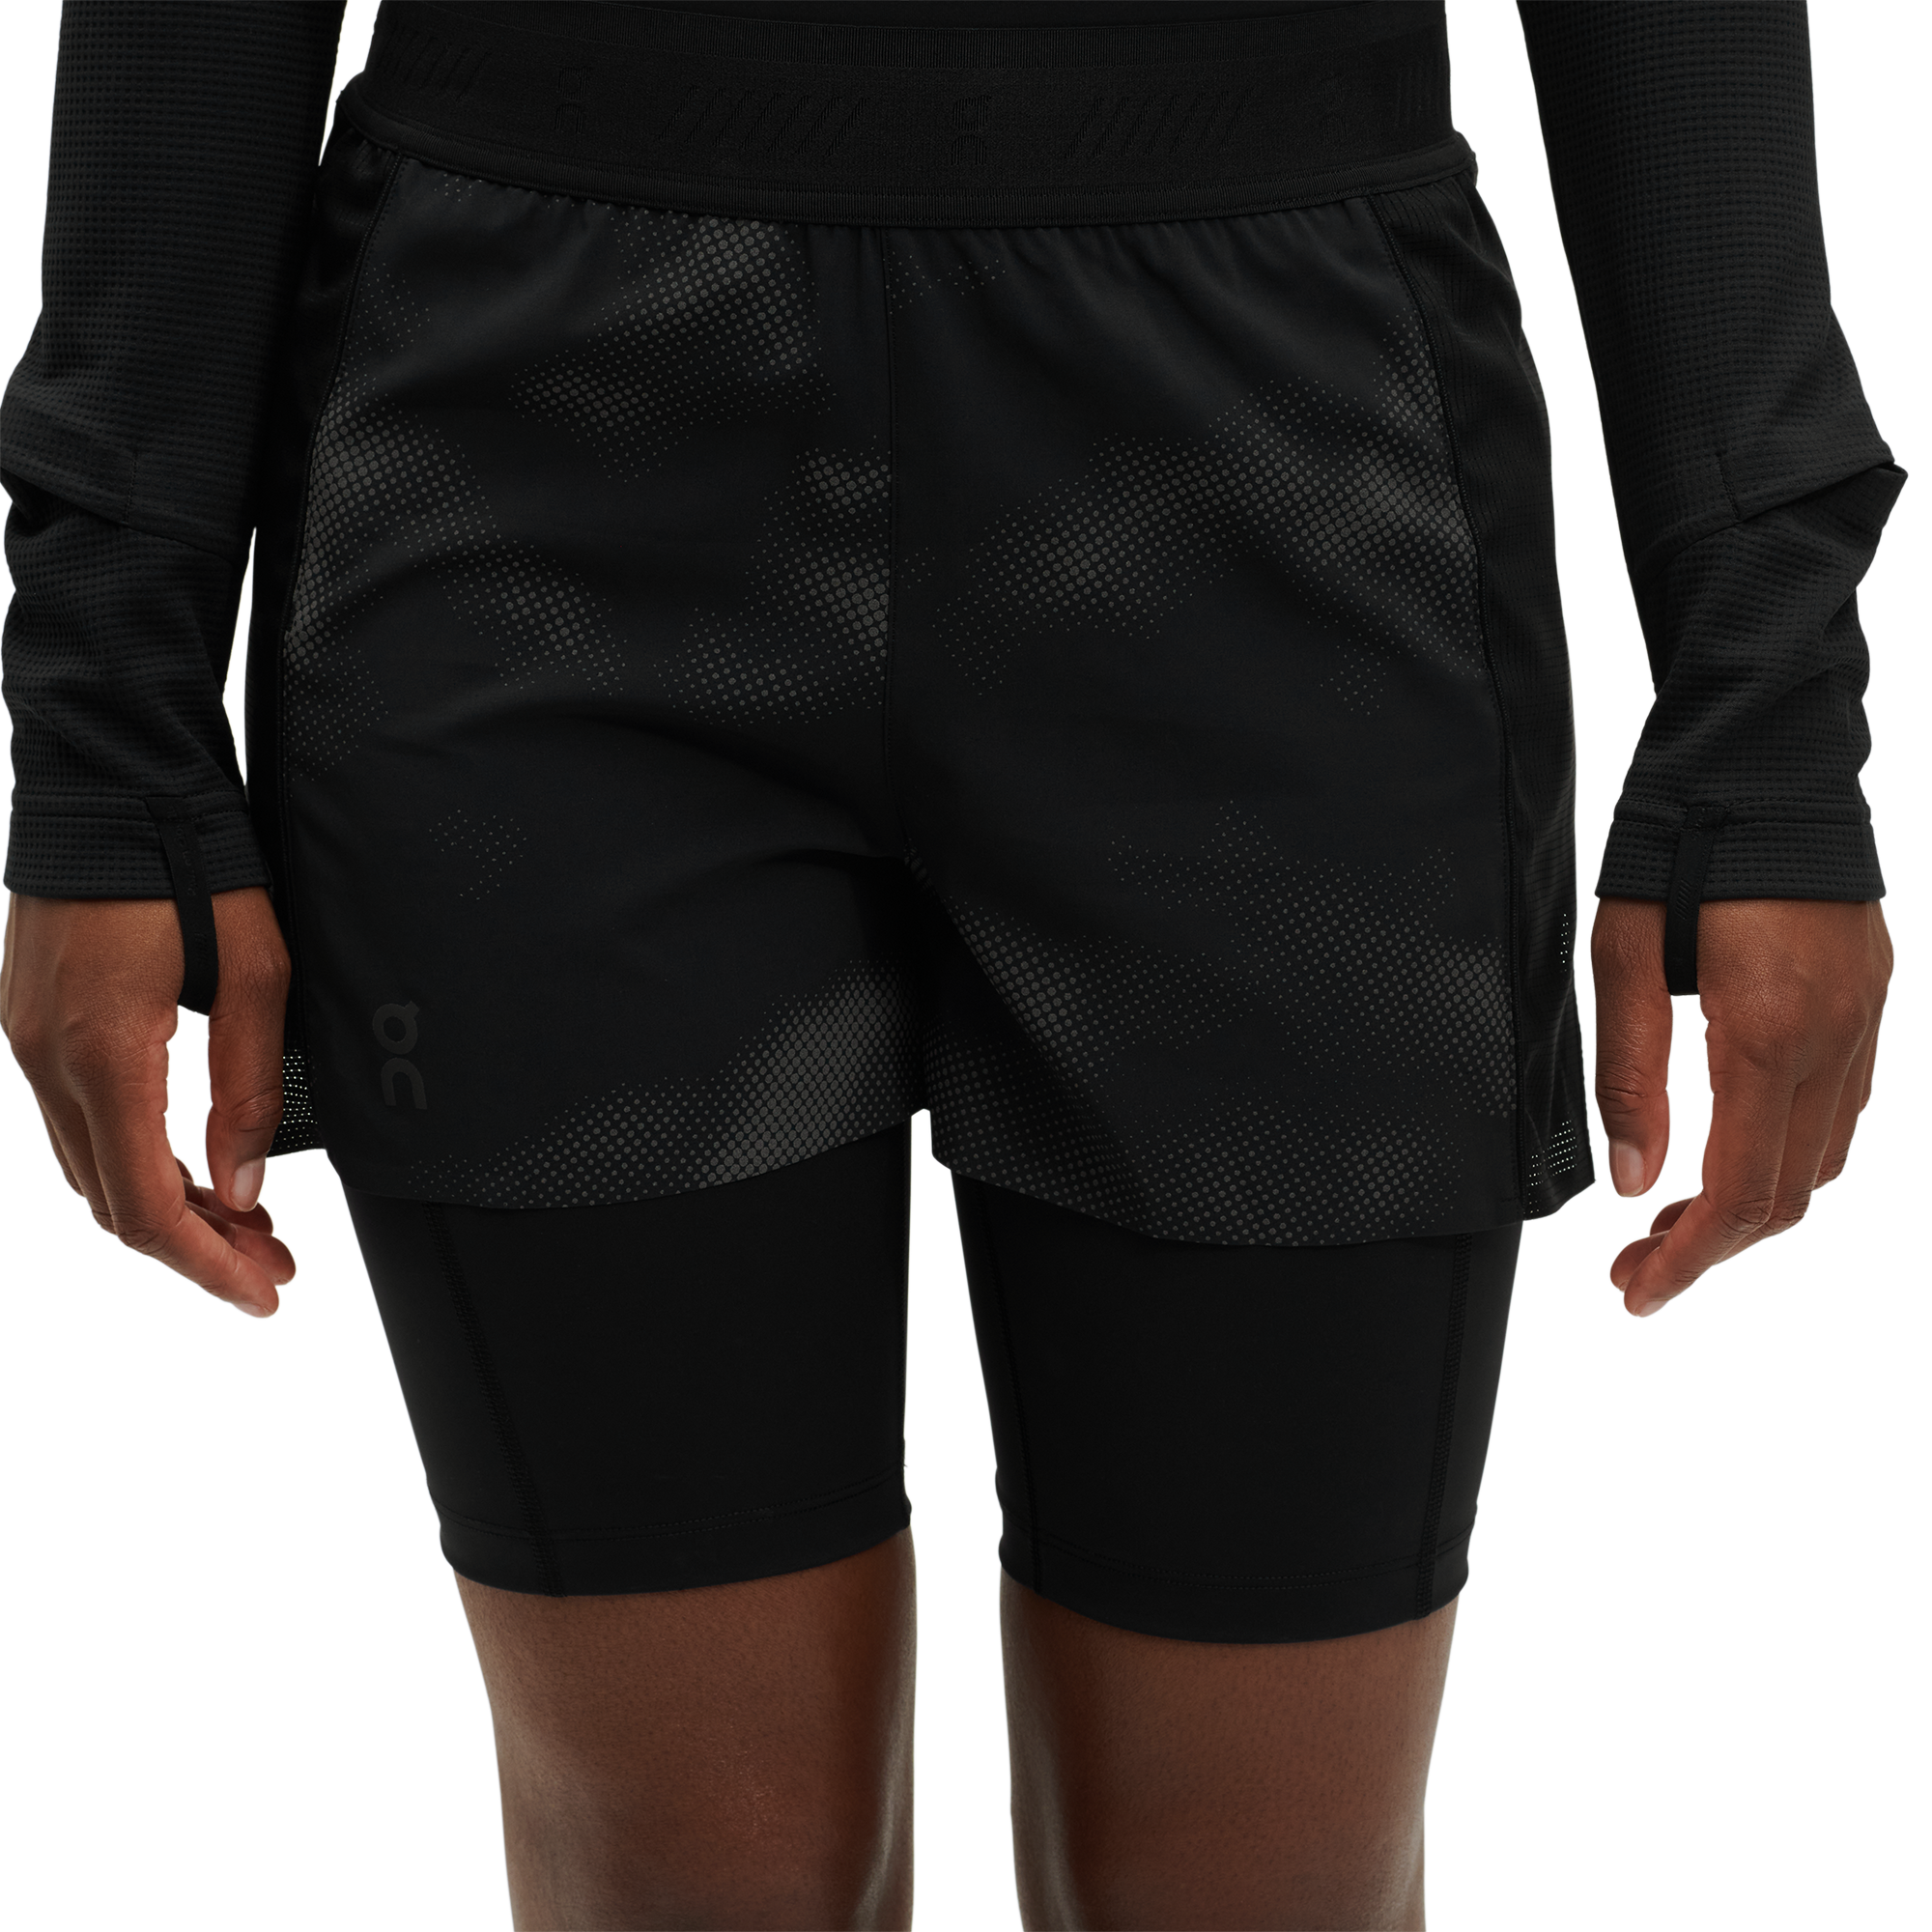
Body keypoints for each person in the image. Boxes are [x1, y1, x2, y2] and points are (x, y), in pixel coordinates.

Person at [0, 0, 1900, 1924]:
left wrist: (1763, 704)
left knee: (1254, 1894)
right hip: (532, 481)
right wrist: (106, 729)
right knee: (695, 1887)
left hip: (1277, 463)